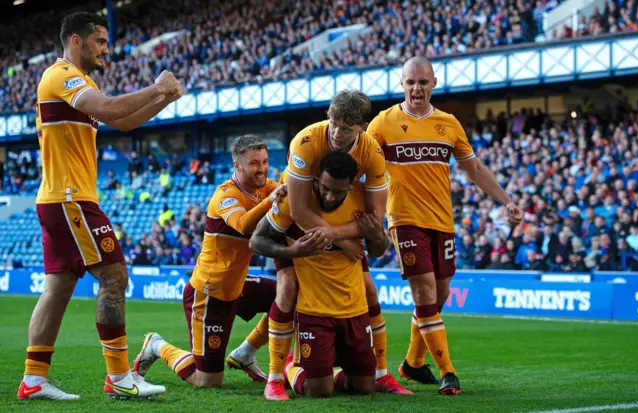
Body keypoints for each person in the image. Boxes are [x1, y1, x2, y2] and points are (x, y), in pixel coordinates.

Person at [18, 11, 183, 400]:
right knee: (114, 277)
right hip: (70, 198)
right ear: (76, 40)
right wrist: (156, 85)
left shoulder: (80, 84)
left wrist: (164, 97)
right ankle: (119, 376)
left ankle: (33, 379)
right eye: (100, 41)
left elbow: (123, 123)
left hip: (58, 198)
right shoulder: (61, 75)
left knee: (57, 288)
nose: (107, 49)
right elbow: (109, 108)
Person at [367, 56, 524, 395]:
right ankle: (448, 372)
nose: (416, 88)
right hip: (405, 220)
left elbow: (475, 169)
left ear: (434, 83)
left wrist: (506, 200)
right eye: (410, 82)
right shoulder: (382, 123)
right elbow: (361, 166)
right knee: (424, 292)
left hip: (442, 221)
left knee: (439, 294)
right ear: (401, 84)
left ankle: (411, 362)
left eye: (423, 82)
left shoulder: (449, 123)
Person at [264, 90, 410, 400]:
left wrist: (349, 236)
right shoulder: (306, 142)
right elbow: (301, 211)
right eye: (333, 123)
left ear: (362, 126)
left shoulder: (371, 153)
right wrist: (342, 239)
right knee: (288, 288)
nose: (337, 133)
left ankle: (380, 374)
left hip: (342, 221)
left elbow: (374, 218)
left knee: (370, 290)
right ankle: (277, 374)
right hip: (295, 225)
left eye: (346, 128)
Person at [132, 135, 287, 388]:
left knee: (289, 296)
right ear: (237, 166)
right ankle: (156, 345)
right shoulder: (225, 196)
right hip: (209, 293)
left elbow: (287, 184)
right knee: (206, 381)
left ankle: (246, 352)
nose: (262, 168)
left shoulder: (263, 187)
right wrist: (271, 201)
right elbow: (243, 224)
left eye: (265, 161)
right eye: (254, 163)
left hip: (239, 285)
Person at [250, 152, 390, 398]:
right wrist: (293, 251)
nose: (329, 197)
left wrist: (376, 236)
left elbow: (378, 250)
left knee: (364, 388)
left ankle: (360, 372)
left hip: (353, 309)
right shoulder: (293, 202)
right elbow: (256, 241)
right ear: (315, 178)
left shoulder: (362, 202)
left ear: (351, 185)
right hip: (313, 309)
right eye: (325, 188)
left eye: (338, 192)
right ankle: (284, 370)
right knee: (318, 390)